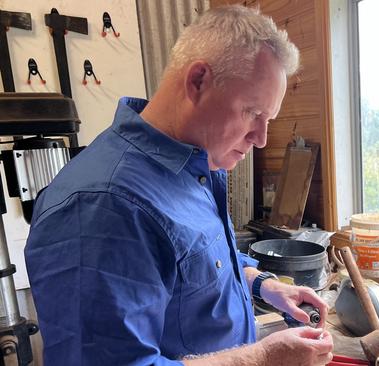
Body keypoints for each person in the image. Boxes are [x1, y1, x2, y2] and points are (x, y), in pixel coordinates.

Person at [25, 5, 334, 366]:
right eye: (253, 112)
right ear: (198, 80)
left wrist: (263, 284)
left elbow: (202, 265)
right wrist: (265, 357)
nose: (262, 139)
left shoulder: (193, 165)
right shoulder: (101, 206)